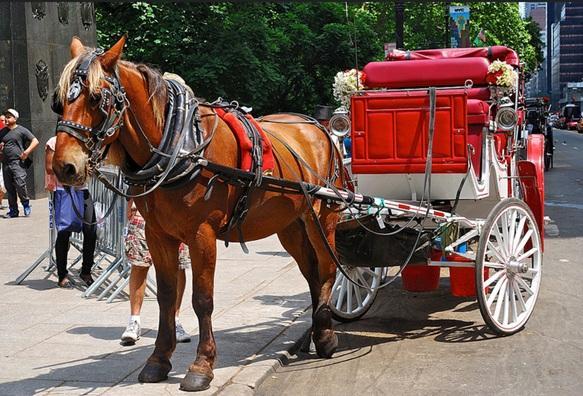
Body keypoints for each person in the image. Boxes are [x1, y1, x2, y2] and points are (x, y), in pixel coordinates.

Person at [121, 200, 191, 344]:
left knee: (178, 265)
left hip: (176, 209)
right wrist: (131, 200)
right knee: (140, 263)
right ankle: (134, 321)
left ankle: (174, 320)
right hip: (144, 206)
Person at [45, 136, 96, 288]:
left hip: (82, 191)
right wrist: (71, 169)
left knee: (91, 230)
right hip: (64, 191)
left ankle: (86, 271)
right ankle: (62, 274)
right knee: (64, 232)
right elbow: (49, 167)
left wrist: (90, 168)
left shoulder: (84, 142)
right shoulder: (53, 142)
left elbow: (92, 165)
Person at [0, 109, 39, 218]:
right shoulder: (2, 132)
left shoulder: (22, 130)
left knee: (20, 184)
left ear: (15, 118)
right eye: (5, 117)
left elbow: (35, 141)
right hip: (5, 164)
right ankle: (13, 210)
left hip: (17, 163)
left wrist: (26, 152)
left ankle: (26, 204)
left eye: (9, 117)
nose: (6, 119)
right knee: (9, 188)